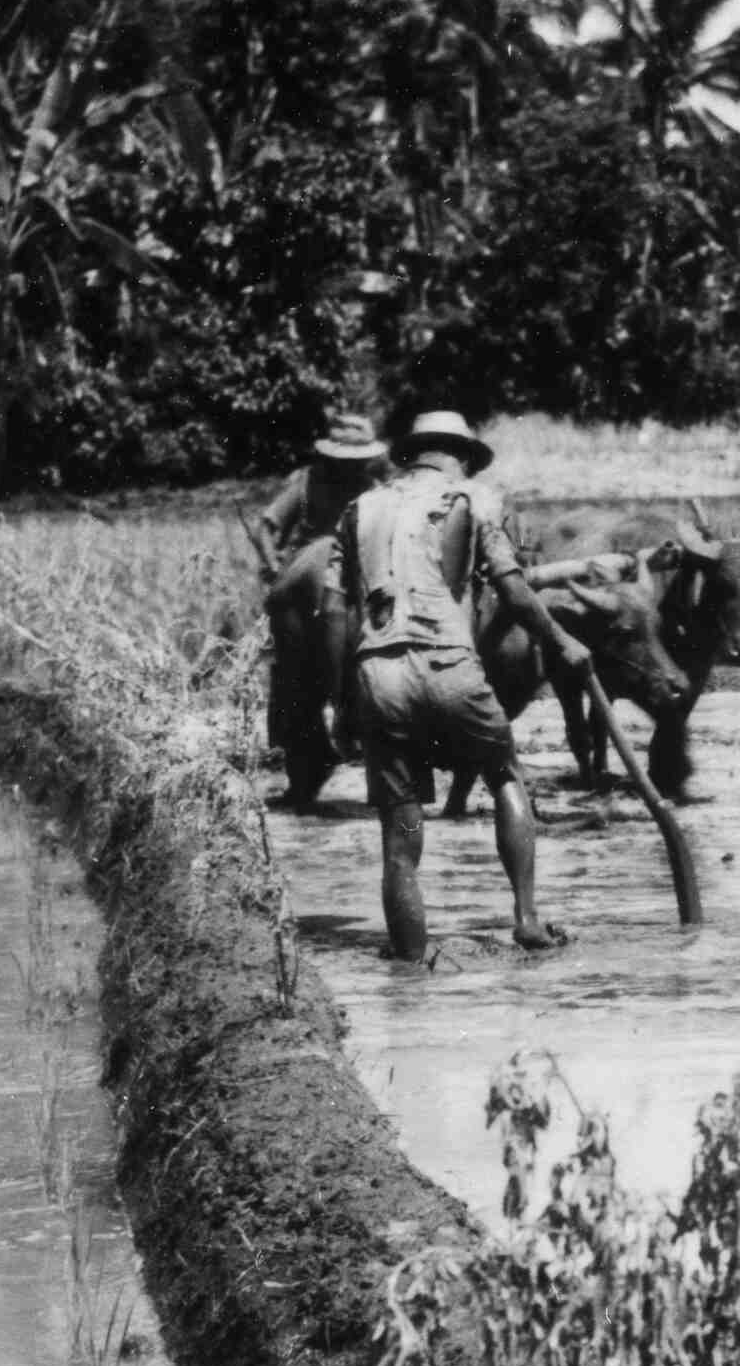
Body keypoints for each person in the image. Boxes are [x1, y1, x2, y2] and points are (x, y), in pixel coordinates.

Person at [335, 408, 593, 959]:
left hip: (377, 671)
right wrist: (562, 644)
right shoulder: (475, 500)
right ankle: (526, 919)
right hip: (449, 661)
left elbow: (342, 615)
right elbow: (515, 591)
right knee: (505, 775)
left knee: (399, 832)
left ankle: (407, 961)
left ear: (411, 454)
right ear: (463, 458)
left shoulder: (360, 509)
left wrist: (343, 704)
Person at [248, 408, 392, 584]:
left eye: (358, 461)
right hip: (306, 572)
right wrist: (272, 564)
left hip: (357, 573)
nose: (352, 467)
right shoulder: (309, 481)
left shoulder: (373, 490)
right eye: (347, 461)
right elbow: (264, 528)